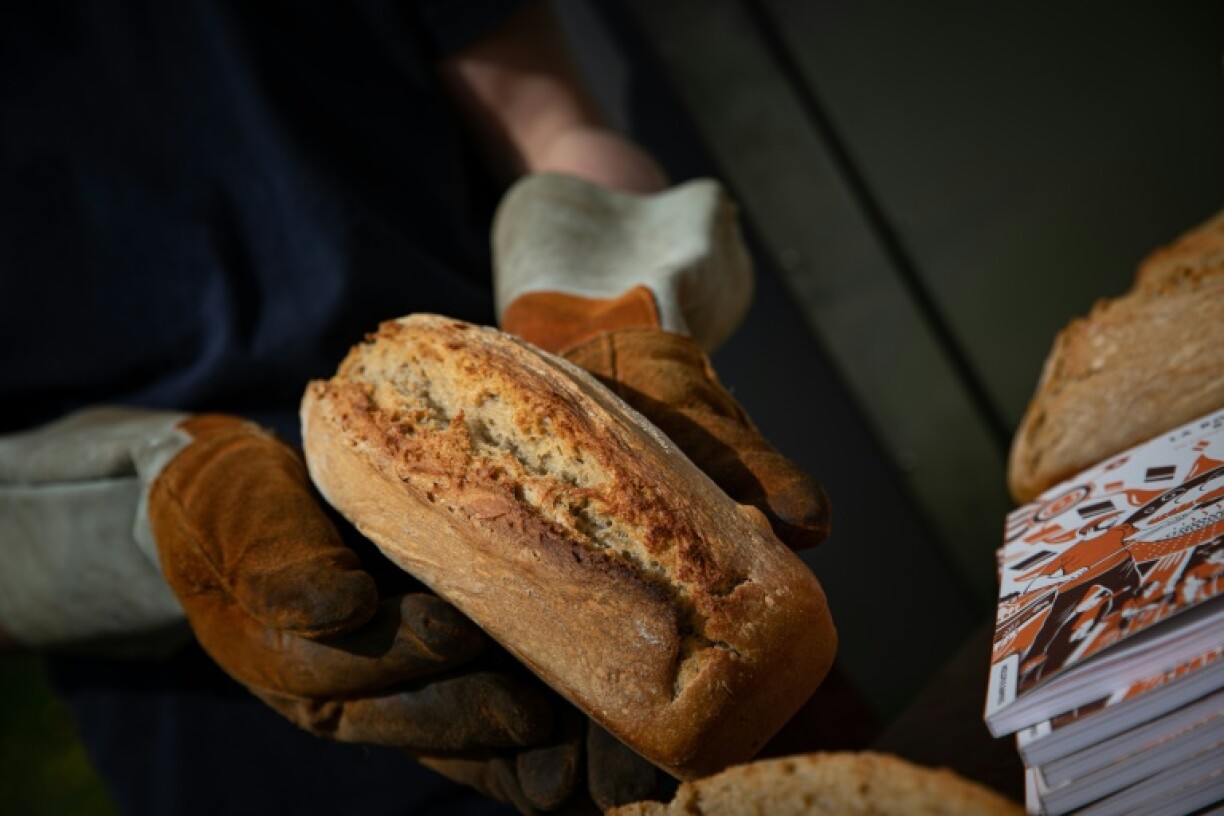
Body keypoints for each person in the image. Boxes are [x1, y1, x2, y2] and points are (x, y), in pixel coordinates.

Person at [0, 1, 832, 813]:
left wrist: (596, 295)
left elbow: (557, 130)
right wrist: (144, 517)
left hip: (588, 582)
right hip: (217, 725)